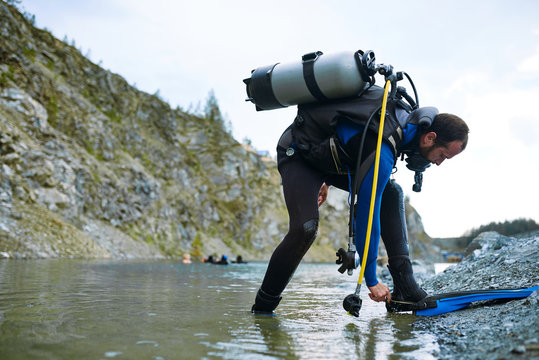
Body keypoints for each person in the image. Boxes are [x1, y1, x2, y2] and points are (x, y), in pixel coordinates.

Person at [251, 84, 469, 313]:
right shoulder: (384, 147)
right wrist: (372, 279)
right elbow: (367, 214)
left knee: (392, 193)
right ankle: (264, 309)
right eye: (442, 155)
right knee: (305, 228)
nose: (438, 163)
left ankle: (405, 287)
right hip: (298, 153)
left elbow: (345, 135)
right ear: (430, 137)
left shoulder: (404, 125)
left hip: (329, 157)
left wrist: (327, 178)